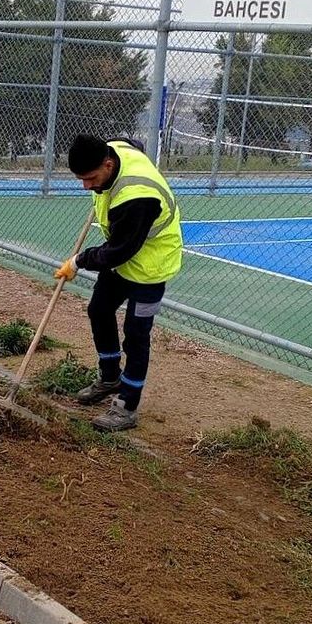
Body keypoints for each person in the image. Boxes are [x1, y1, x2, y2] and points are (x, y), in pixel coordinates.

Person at [53, 135, 183, 432]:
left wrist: (78, 262)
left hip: (151, 266)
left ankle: (127, 406)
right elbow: (130, 142)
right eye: (80, 179)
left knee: (136, 335)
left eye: (90, 178)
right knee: (99, 310)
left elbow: (118, 251)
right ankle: (110, 377)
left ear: (108, 164)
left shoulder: (137, 197)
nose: (86, 186)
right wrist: (100, 186)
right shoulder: (114, 148)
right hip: (123, 255)